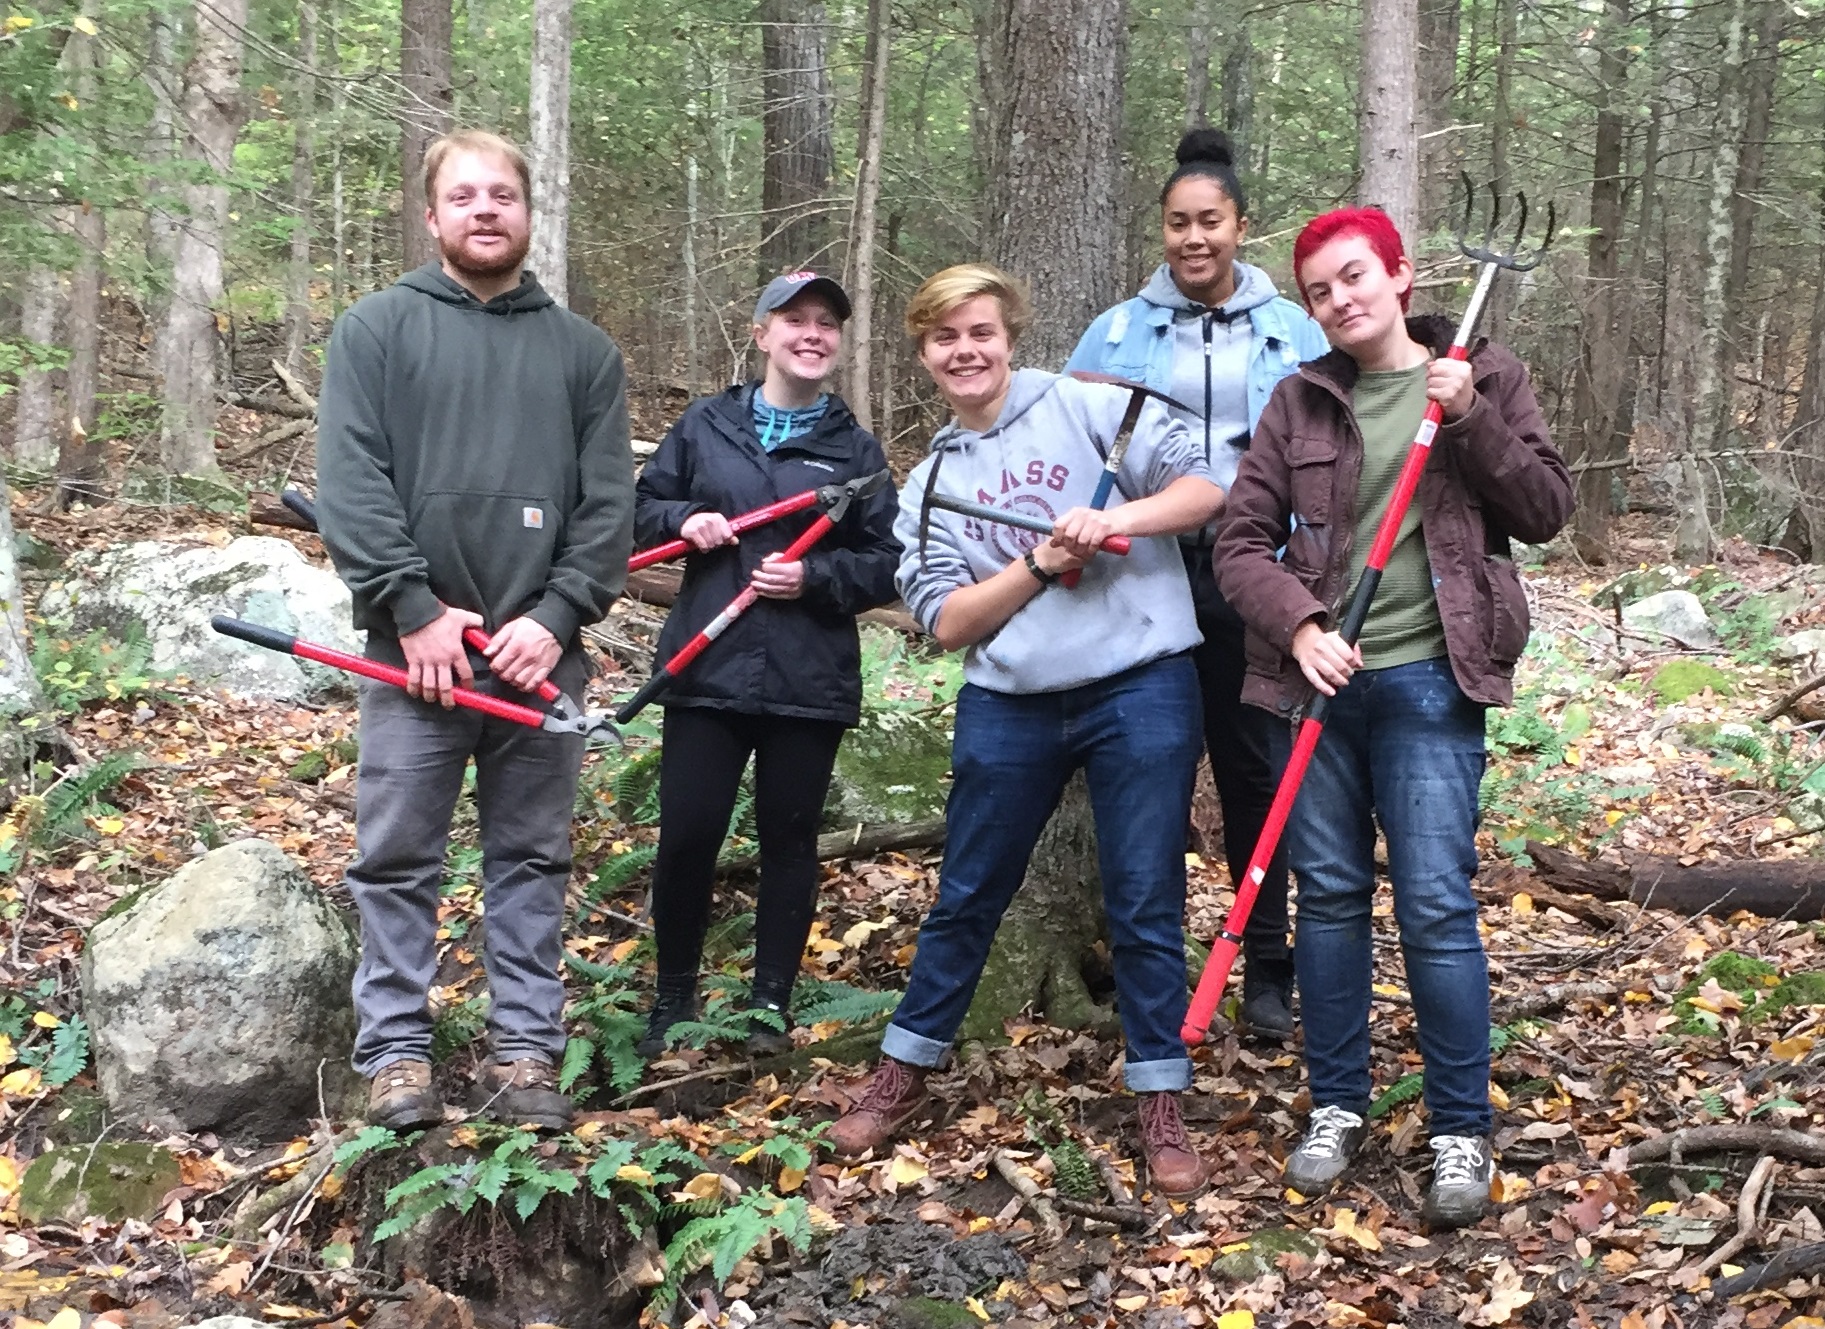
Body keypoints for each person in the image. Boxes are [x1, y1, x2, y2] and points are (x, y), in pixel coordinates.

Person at [826, 264, 1226, 1199]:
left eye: (980, 332)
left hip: (1142, 684)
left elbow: (1207, 487)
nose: (965, 352)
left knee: (1144, 898)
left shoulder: (1094, 409)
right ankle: (903, 1072)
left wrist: (1113, 515)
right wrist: (1042, 562)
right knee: (966, 890)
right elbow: (947, 621)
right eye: (943, 339)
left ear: (1009, 334)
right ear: (923, 353)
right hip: (1009, 701)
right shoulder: (928, 483)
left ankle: (1160, 1099)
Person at [1215, 207, 1572, 1227]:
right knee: (1327, 898)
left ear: (1400, 274)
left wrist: (1468, 420)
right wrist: (1300, 626)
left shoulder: (1481, 374)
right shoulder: (1299, 402)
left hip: (1430, 678)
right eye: (1319, 288)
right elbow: (1240, 544)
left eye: (1354, 276)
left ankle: (1460, 1130)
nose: (1339, 299)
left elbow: (1545, 510)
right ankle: (1336, 1106)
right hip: (1320, 685)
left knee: (1433, 905)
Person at [316, 129, 635, 1131]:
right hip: (414, 662)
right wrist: (411, 612)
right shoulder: (376, 332)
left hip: (541, 665)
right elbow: (353, 486)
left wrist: (556, 616)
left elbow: (606, 507)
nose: (485, 209)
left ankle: (526, 1051)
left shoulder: (583, 353)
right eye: (464, 196)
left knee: (531, 858)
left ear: (529, 212)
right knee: (397, 854)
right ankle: (397, 1052)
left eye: (503, 194)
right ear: (433, 215)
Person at [1065, 127, 1328, 1041]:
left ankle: (1264, 967)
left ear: (1238, 226)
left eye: (1208, 221)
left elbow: (1330, 449)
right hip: (1145, 574)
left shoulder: (1293, 333)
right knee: (1150, 773)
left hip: (1252, 575)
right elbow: (1072, 442)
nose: (1192, 239)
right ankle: (1152, 966)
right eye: (1177, 223)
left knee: (1254, 771)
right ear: (1162, 231)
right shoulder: (1117, 331)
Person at [632, 272, 900, 1059]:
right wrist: (690, 519)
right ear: (761, 335)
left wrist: (813, 578)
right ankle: (672, 994)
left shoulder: (855, 452)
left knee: (790, 840)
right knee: (687, 835)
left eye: (825, 323)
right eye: (794, 320)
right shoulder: (706, 425)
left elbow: (886, 562)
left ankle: (766, 1007)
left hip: (804, 679)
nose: (811, 334)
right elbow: (643, 508)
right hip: (705, 667)